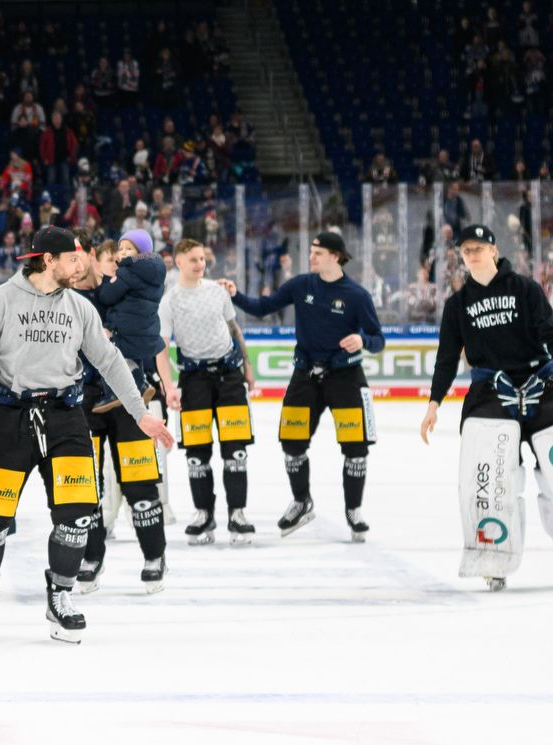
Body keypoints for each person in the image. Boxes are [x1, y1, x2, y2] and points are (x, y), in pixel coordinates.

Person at [0, 226, 169, 640]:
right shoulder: (0, 301)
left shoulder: (80, 307)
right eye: (73, 258)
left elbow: (110, 361)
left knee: (77, 515)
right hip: (10, 417)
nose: (82, 266)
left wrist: (140, 413)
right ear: (48, 260)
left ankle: (61, 595)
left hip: (66, 417)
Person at [420, 222, 553, 588]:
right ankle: (493, 557)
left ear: (494, 251)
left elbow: (552, 335)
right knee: (492, 478)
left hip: (542, 384)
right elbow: (446, 358)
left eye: (479, 248)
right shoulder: (457, 305)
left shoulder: (525, 289)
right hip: (490, 391)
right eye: (466, 250)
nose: (472, 254)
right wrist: (434, 403)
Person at [232, 229, 385, 539]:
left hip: (346, 377)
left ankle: (353, 510)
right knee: (291, 441)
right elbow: (262, 307)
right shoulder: (301, 285)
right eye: (311, 251)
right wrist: (235, 294)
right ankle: (302, 501)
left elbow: (378, 339)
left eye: (317, 253)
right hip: (305, 376)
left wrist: (362, 340)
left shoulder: (357, 296)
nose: (311, 257)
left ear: (335, 256)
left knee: (356, 448)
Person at [79, 234, 171, 593]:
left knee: (140, 482)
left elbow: (152, 338)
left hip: (129, 396)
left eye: (115, 262)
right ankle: (91, 557)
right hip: (84, 399)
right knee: (84, 485)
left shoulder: (128, 292)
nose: (113, 267)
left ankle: (154, 556)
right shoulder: (69, 298)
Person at [157, 237, 254, 543]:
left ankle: (237, 514)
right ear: (179, 263)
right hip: (194, 380)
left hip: (229, 377)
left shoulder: (218, 291)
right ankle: (203, 514)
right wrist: (169, 386)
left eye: (202, 259)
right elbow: (162, 348)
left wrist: (248, 367)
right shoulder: (169, 301)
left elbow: (234, 329)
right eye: (193, 260)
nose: (200, 264)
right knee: (197, 455)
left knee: (236, 451)